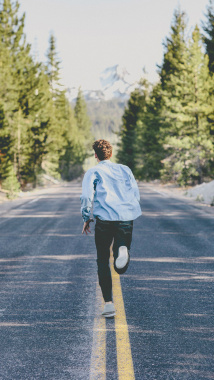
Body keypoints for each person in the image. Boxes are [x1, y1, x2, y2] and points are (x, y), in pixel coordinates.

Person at [80, 139, 141, 318]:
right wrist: (129, 209)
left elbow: (86, 197)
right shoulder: (125, 169)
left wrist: (86, 217)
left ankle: (108, 304)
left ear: (96, 156)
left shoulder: (93, 171)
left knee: (102, 260)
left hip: (104, 220)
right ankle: (122, 249)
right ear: (111, 154)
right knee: (120, 265)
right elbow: (135, 192)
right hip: (125, 218)